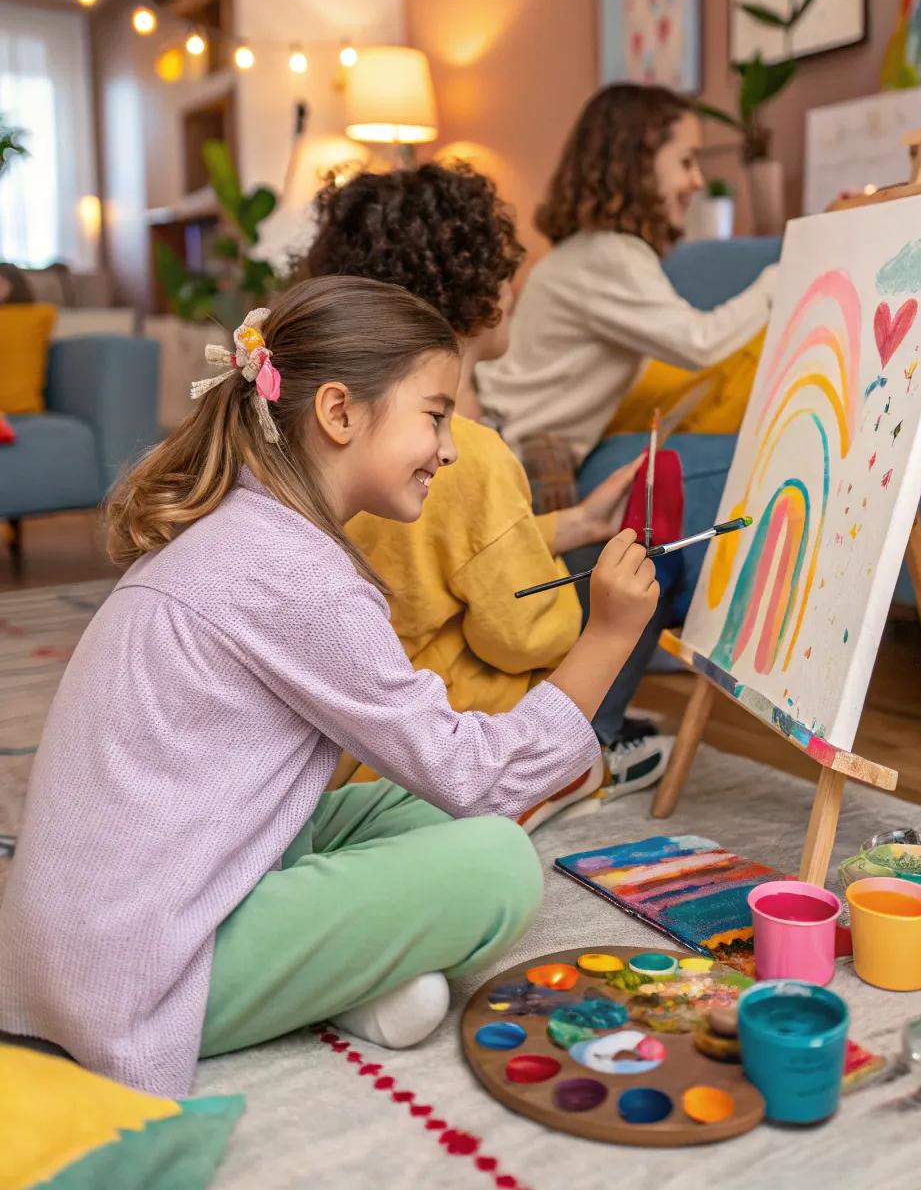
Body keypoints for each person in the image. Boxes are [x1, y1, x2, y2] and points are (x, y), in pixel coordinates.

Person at [0, 279, 657, 1097]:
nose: (449, 449)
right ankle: (343, 971)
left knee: (417, 808)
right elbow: (477, 777)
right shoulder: (298, 576)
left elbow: (442, 779)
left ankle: (347, 973)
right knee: (496, 857)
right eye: (435, 414)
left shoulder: (248, 528)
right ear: (341, 413)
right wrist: (608, 636)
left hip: (111, 910)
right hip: (134, 966)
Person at [307, 164, 665, 808]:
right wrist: (595, 615)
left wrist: (570, 526)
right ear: (479, 291)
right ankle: (574, 762)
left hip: (337, 736)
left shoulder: (346, 433)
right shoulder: (467, 454)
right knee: (588, 619)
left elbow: (437, 560)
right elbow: (523, 633)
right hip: (413, 756)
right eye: (508, 273)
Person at [476, 82, 778, 462]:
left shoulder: (593, 250)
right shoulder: (610, 254)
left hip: (504, 436)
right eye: (686, 162)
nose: (698, 181)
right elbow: (700, 342)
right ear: (640, 165)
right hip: (509, 448)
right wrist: (774, 282)